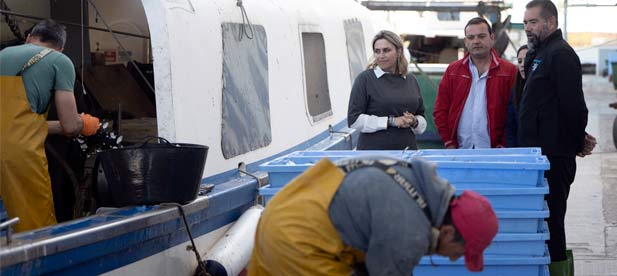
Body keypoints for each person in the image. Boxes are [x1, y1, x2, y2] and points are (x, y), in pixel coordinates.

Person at [248, 157, 498, 275]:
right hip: (299, 242)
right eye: (460, 253)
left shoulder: (415, 181)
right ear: (448, 232)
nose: (455, 259)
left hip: (283, 209)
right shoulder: (410, 233)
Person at [0, 19, 100, 232]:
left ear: (29, 38)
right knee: (35, 223)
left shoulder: (3, 55)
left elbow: (15, 122)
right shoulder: (60, 61)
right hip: (20, 155)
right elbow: (69, 125)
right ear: (61, 47)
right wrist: (85, 124)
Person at [519, 1, 589, 274]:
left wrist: (575, 144)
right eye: (525, 23)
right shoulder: (539, 55)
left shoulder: (560, 54)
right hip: (537, 157)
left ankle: (558, 269)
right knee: (540, 222)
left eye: (533, 22)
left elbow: (574, 107)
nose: (527, 28)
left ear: (550, 22)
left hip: (554, 158)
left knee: (552, 222)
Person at [433, 17, 517, 149]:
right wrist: (448, 142)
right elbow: (440, 110)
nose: (476, 41)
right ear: (465, 41)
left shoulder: (509, 71)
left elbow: (514, 114)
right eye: (471, 37)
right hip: (460, 150)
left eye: (481, 36)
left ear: (492, 37)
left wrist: (503, 143)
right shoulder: (453, 71)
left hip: (496, 151)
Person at [347, 30, 427, 150]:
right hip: (373, 156)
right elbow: (354, 120)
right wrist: (391, 121)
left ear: (399, 51)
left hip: (407, 153)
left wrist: (414, 121)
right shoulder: (365, 79)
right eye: (377, 51)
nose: (381, 55)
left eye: (386, 50)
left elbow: (422, 120)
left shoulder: (411, 80)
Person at [505, 45, 529, 147]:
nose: (522, 64)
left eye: (527, 60)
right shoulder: (515, 90)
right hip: (521, 150)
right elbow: (510, 125)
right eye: (519, 61)